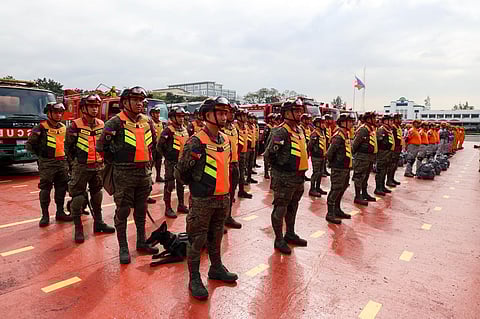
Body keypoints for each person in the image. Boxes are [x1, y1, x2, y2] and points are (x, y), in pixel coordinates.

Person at [175, 96, 238, 300]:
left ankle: (216, 268)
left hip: (222, 199)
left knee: (216, 235)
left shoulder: (225, 139)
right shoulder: (196, 142)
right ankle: (194, 278)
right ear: (206, 115)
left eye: (225, 112)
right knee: (197, 239)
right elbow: (182, 172)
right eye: (219, 112)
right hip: (202, 201)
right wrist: (199, 186)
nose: (223, 116)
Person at [96, 86, 159, 264]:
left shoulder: (147, 122)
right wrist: (116, 162)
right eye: (135, 100)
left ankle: (141, 242)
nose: (139, 104)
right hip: (123, 174)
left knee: (141, 210)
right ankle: (123, 247)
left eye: (141, 100)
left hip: (144, 174)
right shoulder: (115, 122)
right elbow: (101, 147)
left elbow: (152, 144)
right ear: (125, 102)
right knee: (122, 211)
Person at [65, 95, 115, 243]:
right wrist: (74, 164)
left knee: (97, 195)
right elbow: (68, 147)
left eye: (96, 106)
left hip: (98, 166)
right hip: (81, 167)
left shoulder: (101, 124)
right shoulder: (75, 126)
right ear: (84, 108)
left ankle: (98, 223)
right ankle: (78, 228)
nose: (94, 109)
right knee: (78, 198)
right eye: (91, 106)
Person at [265, 98, 309, 255]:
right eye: (296, 111)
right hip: (284, 177)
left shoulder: (299, 129)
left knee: (293, 206)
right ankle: (278, 239)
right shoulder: (281, 131)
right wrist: (281, 169)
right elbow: (269, 154)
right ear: (287, 113)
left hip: (298, 176)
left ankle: (290, 233)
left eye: (300, 111)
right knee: (281, 208)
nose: (299, 114)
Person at [27, 102, 73, 227]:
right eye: (56, 112)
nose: (58, 115)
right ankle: (45, 215)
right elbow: (30, 145)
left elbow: (67, 145)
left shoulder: (63, 127)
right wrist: (42, 156)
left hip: (62, 162)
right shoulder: (40, 128)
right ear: (49, 113)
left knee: (61, 188)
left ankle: (60, 212)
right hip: (47, 163)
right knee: (45, 189)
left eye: (60, 113)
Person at [157, 107, 190, 218]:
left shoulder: (184, 129)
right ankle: (168, 207)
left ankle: (181, 204)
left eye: (182, 116)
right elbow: (159, 146)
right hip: (171, 162)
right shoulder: (168, 130)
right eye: (179, 116)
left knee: (181, 184)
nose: (181, 119)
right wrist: (168, 156)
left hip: (182, 162)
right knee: (169, 184)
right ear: (172, 118)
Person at [326, 114, 355, 224]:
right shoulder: (338, 136)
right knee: (335, 190)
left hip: (345, 167)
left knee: (341, 189)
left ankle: (337, 210)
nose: (352, 123)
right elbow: (329, 153)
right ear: (343, 122)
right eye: (350, 121)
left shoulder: (345, 134)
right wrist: (335, 164)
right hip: (338, 168)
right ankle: (330, 213)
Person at [221, 103, 242, 229]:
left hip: (234, 163)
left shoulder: (234, 128)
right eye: (229, 112)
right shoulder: (220, 129)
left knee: (231, 192)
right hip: (224, 166)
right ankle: (220, 220)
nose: (231, 115)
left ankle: (228, 216)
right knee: (222, 195)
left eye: (233, 112)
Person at [351, 111, 377, 206]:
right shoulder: (363, 130)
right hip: (362, 157)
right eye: (373, 118)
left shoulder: (371, 129)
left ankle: (364, 193)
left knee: (365, 177)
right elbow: (355, 145)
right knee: (359, 177)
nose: (375, 120)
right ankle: (358, 196)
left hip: (369, 157)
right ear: (369, 119)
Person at [234, 109, 253, 199]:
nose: (246, 118)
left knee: (242, 172)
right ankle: (233, 192)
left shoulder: (245, 126)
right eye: (244, 116)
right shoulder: (235, 127)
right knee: (235, 174)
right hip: (237, 154)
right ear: (238, 117)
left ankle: (241, 191)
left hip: (244, 153)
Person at [308, 116, 328, 197]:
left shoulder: (322, 133)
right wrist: (314, 152)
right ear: (317, 124)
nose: (324, 125)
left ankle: (318, 187)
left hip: (322, 156)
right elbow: (310, 146)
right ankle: (312, 189)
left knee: (320, 173)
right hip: (316, 157)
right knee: (316, 173)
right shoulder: (315, 133)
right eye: (322, 123)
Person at [375, 115, 394, 195]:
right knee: (380, 171)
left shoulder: (388, 130)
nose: (392, 122)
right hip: (382, 153)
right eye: (390, 120)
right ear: (386, 121)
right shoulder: (381, 130)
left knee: (384, 170)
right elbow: (379, 142)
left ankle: (382, 186)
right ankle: (378, 188)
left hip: (388, 153)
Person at [386, 113, 403, 187]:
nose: (400, 120)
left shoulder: (398, 127)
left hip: (398, 148)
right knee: (391, 165)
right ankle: (389, 180)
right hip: (394, 149)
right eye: (399, 118)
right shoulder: (393, 127)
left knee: (395, 165)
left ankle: (392, 178)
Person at [150, 106, 165, 183]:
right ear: (152, 114)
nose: (158, 114)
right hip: (152, 146)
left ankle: (158, 176)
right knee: (151, 162)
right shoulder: (150, 122)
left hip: (159, 146)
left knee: (159, 161)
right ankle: (149, 177)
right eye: (156, 113)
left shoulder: (161, 123)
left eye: (158, 113)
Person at [263, 113, 276, 179]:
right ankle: (266, 173)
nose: (274, 119)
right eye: (273, 118)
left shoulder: (275, 126)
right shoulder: (267, 127)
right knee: (266, 159)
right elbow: (264, 137)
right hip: (267, 144)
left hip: (273, 145)